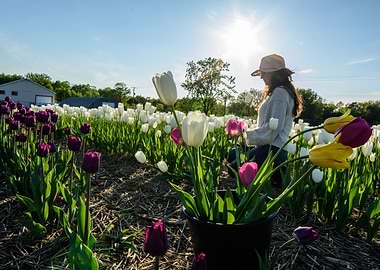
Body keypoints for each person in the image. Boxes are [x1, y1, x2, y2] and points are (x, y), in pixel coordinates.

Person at [228, 54, 303, 186]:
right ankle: (275, 176)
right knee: (233, 154)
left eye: (264, 73)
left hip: (272, 151)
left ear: (274, 74)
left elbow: (272, 130)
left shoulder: (280, 94)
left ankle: (274, 176)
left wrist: (246, 135)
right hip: (269, 148)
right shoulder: (280, 92)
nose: (261, 76)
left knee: (234, 168)